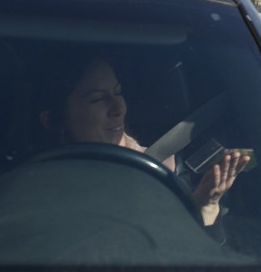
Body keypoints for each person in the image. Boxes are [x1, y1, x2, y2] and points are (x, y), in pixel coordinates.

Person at [38, 55, 250, 227]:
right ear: (54, 119)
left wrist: (205, 205)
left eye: (118, 92)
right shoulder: (39, 191)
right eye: (98, 99)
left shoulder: (167, 170)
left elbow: (196, 256)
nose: (119, 108)